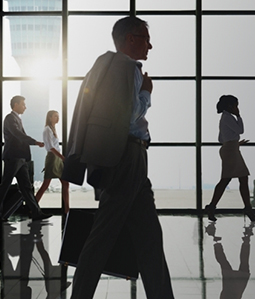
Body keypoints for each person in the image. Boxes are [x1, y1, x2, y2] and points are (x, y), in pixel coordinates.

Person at [62, 16, 174, 298]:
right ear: (131, 39)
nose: (150, 45)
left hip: (121, 158)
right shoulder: (128, 67)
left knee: (149, 237)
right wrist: (147, 93)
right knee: (103, 237)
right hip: (128, 158)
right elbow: (129, 114)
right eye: (146, 38)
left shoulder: (103, 66)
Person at [0, 95, 51, 222]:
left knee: (26, 187)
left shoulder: (16, 119)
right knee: (5, 185)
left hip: (20, 158)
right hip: (13, 157)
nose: (25, 107)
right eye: (23, 104)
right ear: (16, 105)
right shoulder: (10, 118)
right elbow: (18, 135)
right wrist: (34, 142)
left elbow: (20, 135)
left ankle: (36, 212)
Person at [204, 95, 255, 222]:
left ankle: (213, 207)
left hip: (231, 149)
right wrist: (239, 116)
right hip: (231, 151)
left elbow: (221, 139)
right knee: (229, 180)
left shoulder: (225, 118)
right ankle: (214, 207)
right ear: (230, 106)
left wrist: (235, 143)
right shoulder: (228, 118)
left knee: (237, 178)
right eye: (236, 106)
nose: (237, 108)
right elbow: (240, 130)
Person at [35, 110, 70, 213]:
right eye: (55, 116)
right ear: (50, 117)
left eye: (58, 116)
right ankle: (32, 208)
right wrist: (62, 157)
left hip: (57, 158)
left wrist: (60, 158)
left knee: (65, 183)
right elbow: (50, 148)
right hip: (53, 158)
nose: (57, 118)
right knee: (45, 185)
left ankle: (67, 210)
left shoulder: (52, 129)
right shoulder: (47, 130)